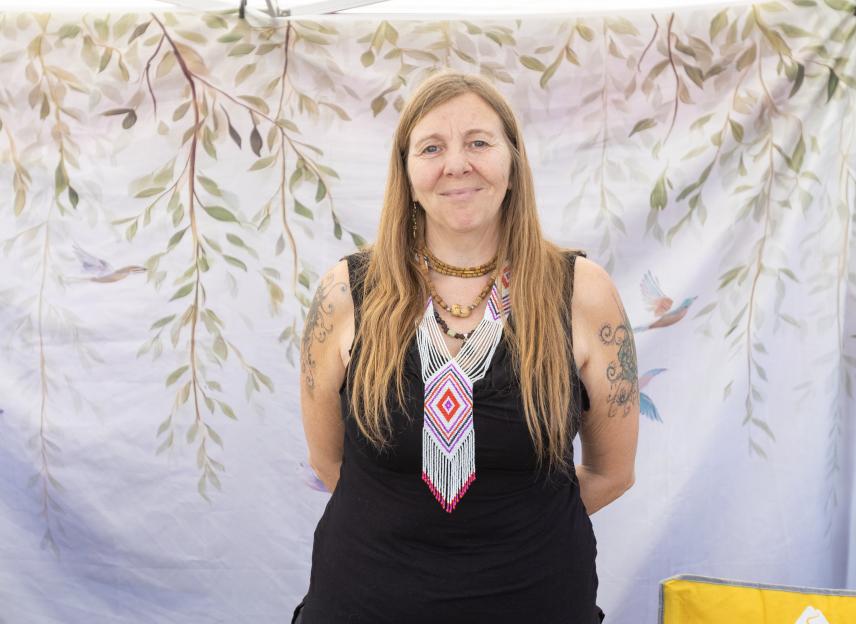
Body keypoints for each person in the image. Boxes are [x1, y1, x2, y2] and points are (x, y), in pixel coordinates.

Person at [295, 71, 639, 623]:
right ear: (406, 174)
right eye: (432, 147)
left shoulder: (582, 292)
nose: (457, 163)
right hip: (364, 603)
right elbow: (329, 460)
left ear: (512, 164)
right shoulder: (347, 292)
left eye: (479, 142)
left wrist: (504, 533)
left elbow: (612, 472)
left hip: (535, 602)